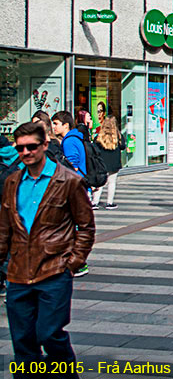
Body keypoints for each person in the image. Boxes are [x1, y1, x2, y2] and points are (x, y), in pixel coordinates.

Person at [0, 121, 95, 375]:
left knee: (49, 333)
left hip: (54, 270)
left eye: (32, 146)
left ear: (45, 145)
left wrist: (73, 262)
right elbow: (4, 228)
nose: (26, 153)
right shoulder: (12, 181)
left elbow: (85, 227)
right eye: (20, 149)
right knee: (23, 340)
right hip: (18, 272)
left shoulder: (68, 181)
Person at [92, 117, 124, 210]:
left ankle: (95, 202)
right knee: (112, 182)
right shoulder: (118, 136)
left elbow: (95, 148)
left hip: (102, 163)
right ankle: (109, 203)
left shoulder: (99, 136)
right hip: (114, 163)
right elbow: (123, 146)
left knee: (100, 183)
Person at [51, 111, 86, 177]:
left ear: (66, 125)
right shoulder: (75, 137)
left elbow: (73, 167)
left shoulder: (69, 141)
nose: (53, 127)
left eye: (56, 124)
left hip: (76, 181)